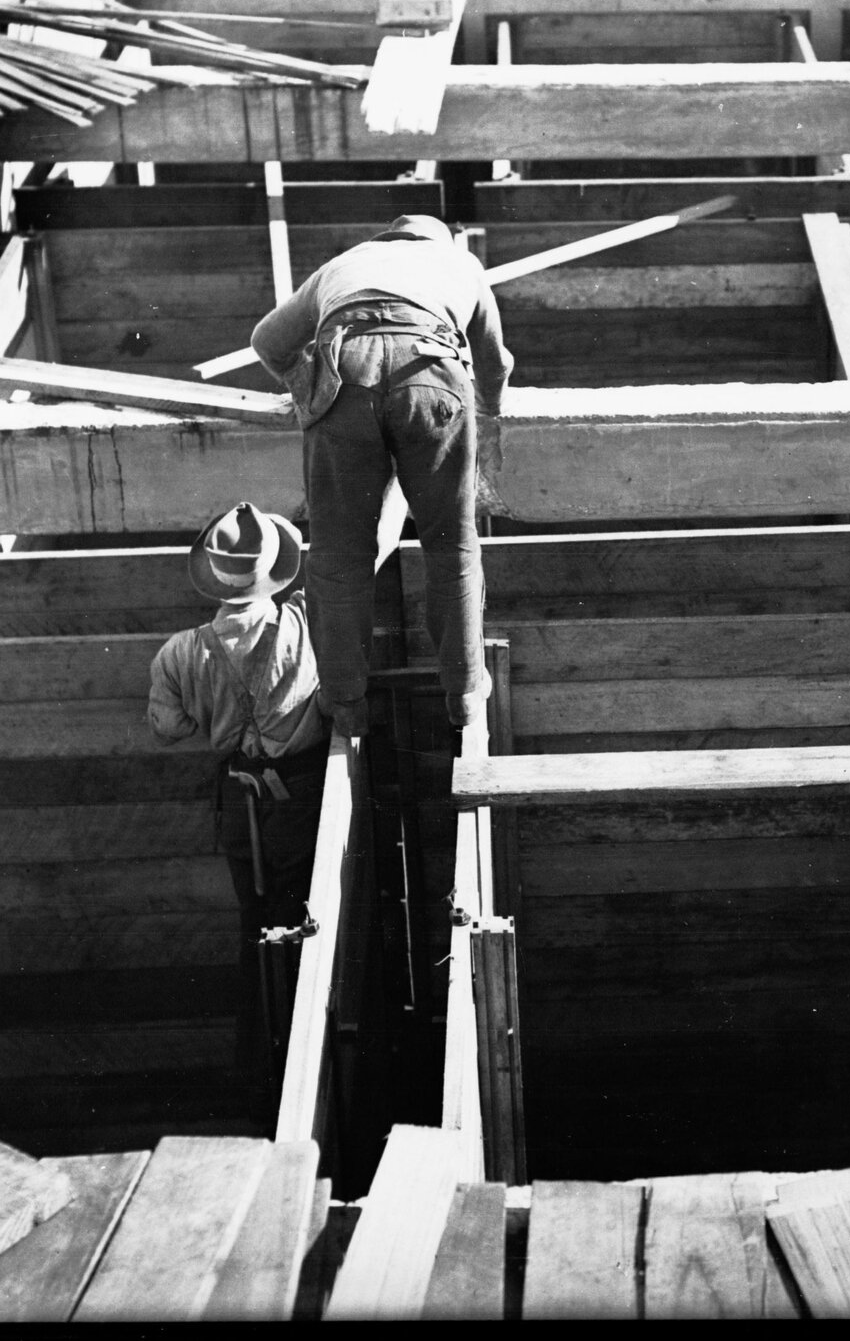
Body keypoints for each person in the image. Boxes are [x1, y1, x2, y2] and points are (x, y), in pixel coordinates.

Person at [249, 213, 514, 735]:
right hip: (432, 374)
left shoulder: (342, 266)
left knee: (339, 552)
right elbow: (495, 365)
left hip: (345, 374)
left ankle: (345, 703)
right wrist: (484, 416)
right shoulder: (462, 263)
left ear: (388, 238)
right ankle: (463, 692)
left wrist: (309, 387)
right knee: (450, 544)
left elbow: (267, 342)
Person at [148, 503, 329, 1111]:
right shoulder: (307, 628)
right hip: (302, 799)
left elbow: (167, 728)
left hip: (238, 800)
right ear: (274, 570)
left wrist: (212, 700)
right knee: (308, 918)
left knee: (254, 923)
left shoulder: (180, 652)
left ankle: (261, 1073)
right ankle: (304, 1073)